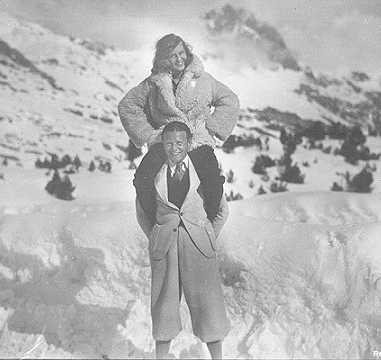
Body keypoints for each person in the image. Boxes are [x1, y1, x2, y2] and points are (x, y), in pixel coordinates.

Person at [118, 33, 239, 227]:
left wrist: (211, 128)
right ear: (163, 59)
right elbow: (127, 106)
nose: (179, 58)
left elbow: (230, 100)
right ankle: (157, 223)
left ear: (187, 52)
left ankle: (207, 225)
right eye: (173, 55)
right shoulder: (154, 83)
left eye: (182, 52)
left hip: (196, 138)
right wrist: (148, 134)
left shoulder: (203, 78)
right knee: (142, 179)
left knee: (213, 182)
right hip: (166, 140)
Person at [136, 121, 230, 359]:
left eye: (179, 142)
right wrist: (158, 235)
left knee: (209, 309)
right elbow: (142, 212)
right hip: (165, 249)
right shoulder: (154, 174)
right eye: (168, 143)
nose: (174, 148)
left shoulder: (203, 172)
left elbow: (221, 211)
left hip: (198, 248)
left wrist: (206, 235)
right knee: (163, 309)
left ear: (188, 143)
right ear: (162, 145)